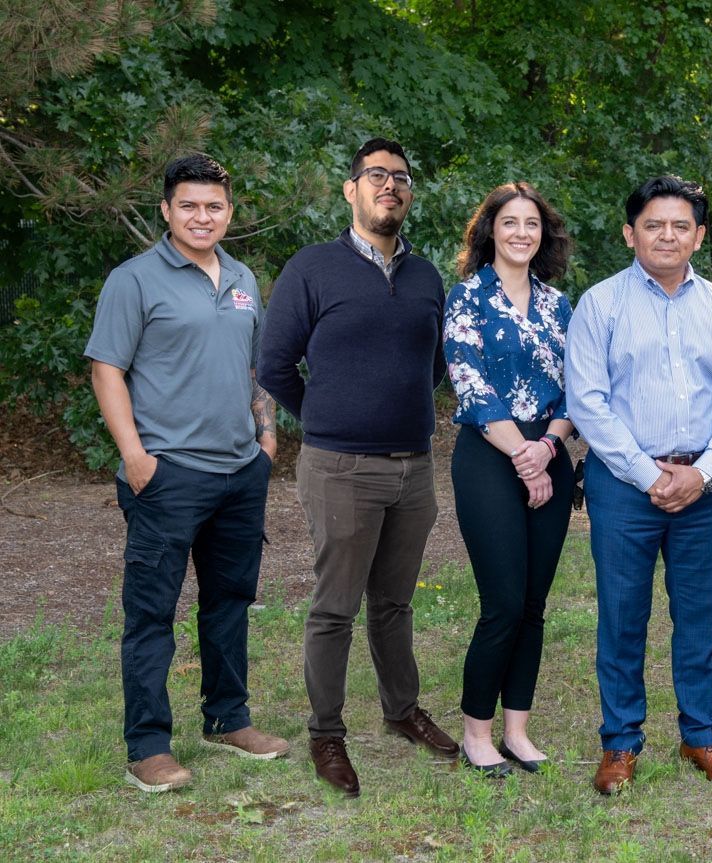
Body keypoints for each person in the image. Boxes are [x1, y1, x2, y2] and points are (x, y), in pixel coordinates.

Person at [258, 137, 456, 798]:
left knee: (394, 603)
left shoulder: (428, 278)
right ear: (351, 189)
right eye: (377, 175)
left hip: (413, 469)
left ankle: (402, 711)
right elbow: (274, 364)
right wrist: (324, 414)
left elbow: (433, 368)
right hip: (339, 465)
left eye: (401, 177)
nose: (390, 185)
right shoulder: (314, 268)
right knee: (335, 606)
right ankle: (327, 730)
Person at [86, 153, 289, 793]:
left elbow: (256, 367)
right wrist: (137, 457)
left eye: (215, 206)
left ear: (229, 212)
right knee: (151, 613)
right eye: (190, 206)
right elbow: (107, 370)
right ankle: (148, 746)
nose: (203, 217)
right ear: (168, 210)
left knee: (229, 603)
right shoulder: (135, 280)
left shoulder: (242, 277)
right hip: (168, 475)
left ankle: (228, 719)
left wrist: (267, 435)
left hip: (239, 471)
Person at [565, 175, 712, 795]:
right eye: (654, 224)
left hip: (702, 486)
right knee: (622, 615)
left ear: (698, 236)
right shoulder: (600, 305)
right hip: (624, 485)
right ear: (630, 233)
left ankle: (701, 735)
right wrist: (652, 476)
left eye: (681, 225)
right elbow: (588, 404)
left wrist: (701, 474)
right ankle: (620, 743)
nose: (667, 235)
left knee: (699, 614)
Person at [443, 182, 575, 777]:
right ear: (489, 230)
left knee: (533, 604)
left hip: (549, 449)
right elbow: (469, 383)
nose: (522, 233)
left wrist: (547, 448)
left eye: (532, 224)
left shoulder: (560, 306)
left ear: (542, 235)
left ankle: (518, 732)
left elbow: (580, 391)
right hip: (488, 457)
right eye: (510, 222)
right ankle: (477, 733)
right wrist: (524, 456)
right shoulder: (466, 298)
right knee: (501, 603)